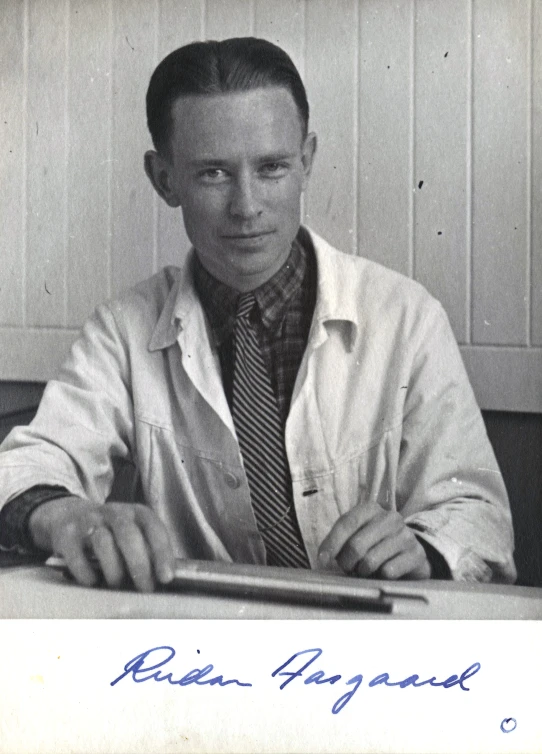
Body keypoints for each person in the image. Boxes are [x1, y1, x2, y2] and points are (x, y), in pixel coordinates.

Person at [0, 37, 515, 592]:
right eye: (213, 174)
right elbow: (28, 465)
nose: (247, 207)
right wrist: (66, 515)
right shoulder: (122, 330)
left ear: (306, 161)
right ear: (164, 179)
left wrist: (423, 547)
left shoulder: (407, 316)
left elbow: (477, 511)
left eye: (271, 167)